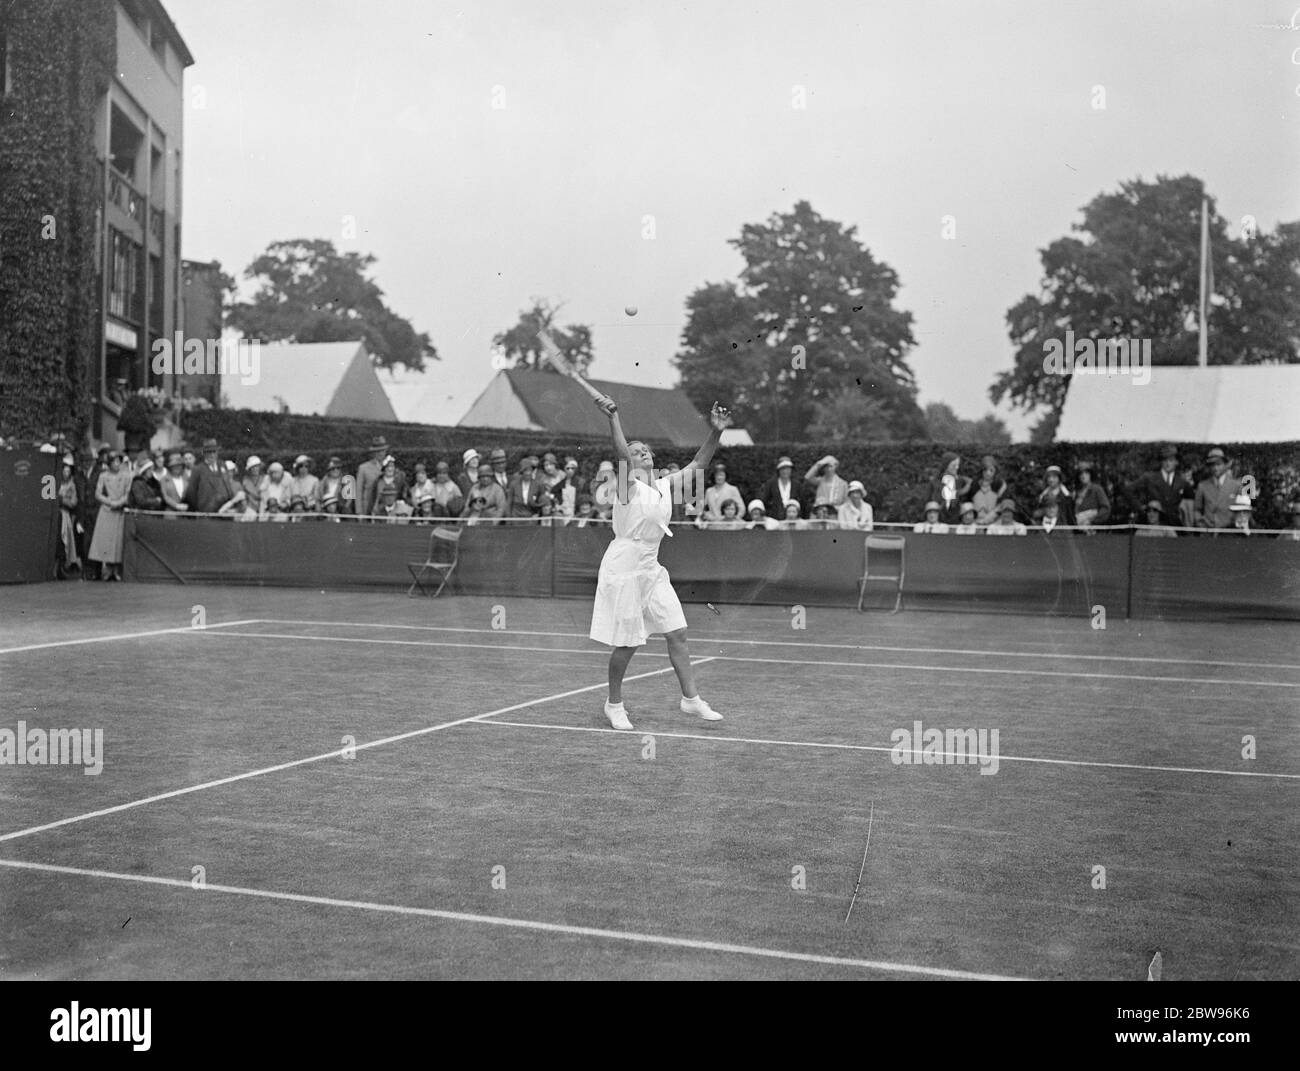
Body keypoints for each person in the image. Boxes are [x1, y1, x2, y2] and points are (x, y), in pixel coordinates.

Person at [589, 390, 731, 730]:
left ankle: (691, 700)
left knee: (677, 631)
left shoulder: (665, 486)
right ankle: (614, 704)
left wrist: (717, 431)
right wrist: (614, 418)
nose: (641, 453)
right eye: (636, 451)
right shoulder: (626, 484)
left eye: (645, 450)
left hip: (651, 567)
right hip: (623, 566)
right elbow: (621, 453)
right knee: (627, 643)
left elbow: (699, 465)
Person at [88, 451, 133, 580]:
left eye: (119, 461)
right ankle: (107, 570)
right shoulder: (103, 476)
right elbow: (98, 493)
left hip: (119, 511)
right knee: (106, 541)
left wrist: (119, 502)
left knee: (117, 542)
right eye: (114, 461)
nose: (117, 464)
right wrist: (109, 502)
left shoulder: (126, 476)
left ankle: (116, 570)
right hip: (107, 511)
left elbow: (127, 493)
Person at [1128, 444, 1191, 527]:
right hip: (1152, 526)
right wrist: (1140, 508)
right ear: (1161, 462)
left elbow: (1190, 505)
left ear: (1176, 462)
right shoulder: (1149, 478)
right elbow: (1128, 490)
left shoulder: (1183, 483)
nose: (1168, 463)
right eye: (1165, 460)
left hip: (1174, 526)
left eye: (1171, 460)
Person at [186, 438, 241, 515]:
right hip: (206, 512)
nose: (212, 455)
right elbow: (191, 492)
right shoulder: (198, 469)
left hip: (224, 511)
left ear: (217, 452)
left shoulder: (222, 465)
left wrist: (230, 503)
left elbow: (228, 485)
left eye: (214, 452)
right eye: (209, 452)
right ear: (204, 453)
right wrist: (200, 508)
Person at [1194, 447, 1242, 531]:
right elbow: (1196, 509)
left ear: (1225, 465)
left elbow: (1241, 510)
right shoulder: (1202, 486)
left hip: (1228, 533)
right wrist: (1200, 524)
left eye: (1218, 464)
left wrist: (1235, 525)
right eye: (1212, 465)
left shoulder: (1236, 485)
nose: (1215, 468)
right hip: (1207, 532)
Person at [56, 455, 82, 578]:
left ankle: (61, 567)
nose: (66, 473)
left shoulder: (72, 485)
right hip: (56, 514)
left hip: (65, 515)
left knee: (64, 541)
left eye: (68, 471)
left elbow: (73, 502)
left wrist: (62, 500)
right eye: (64, 470)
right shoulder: (53, 481)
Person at [928, 454, 971, 526]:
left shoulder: (961, 481)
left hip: (957, 521)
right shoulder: (935, 482)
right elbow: (932, 501)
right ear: (946, 465)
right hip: (939, 522)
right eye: (954, 465)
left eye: (958, 465)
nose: (957, 468)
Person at [355, 436, 389, 519]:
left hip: (386, 509)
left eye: (383, 451)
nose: (381, 453)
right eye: (378, 451)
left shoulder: (390, 467)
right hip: (368, 509)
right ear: (373, 453)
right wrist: (359, 512)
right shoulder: (363, 468)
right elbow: (358, 491)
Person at [1073, 461, 1111, 530]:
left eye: (1086, 473)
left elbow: (1106, 509)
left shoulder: (1097, 489)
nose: (1083, 476)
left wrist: (1092, 521)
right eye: (1081, 473)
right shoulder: (1077, 491)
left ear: (1090, 475)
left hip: (1093, 529)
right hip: (1078, 528)